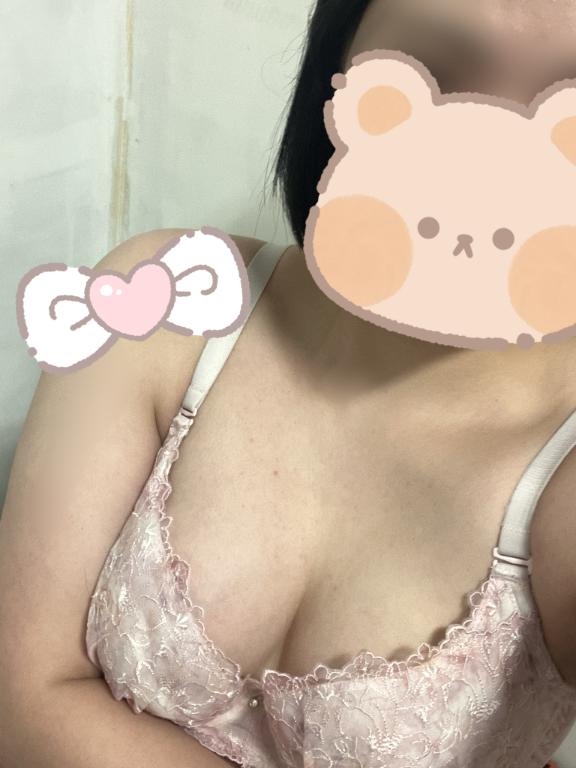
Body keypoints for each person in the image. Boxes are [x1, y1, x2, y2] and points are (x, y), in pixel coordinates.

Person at [1, 1, 576, 767]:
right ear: (339, 72)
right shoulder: (161, 299)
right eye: (439, 70)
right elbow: (21, 703)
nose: (484, 161)